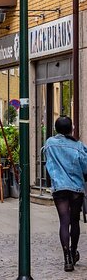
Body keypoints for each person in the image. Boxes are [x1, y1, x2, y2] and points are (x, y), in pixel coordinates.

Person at [43, 116, 87, 272]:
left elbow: (47, 161)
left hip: (59, 187)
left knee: (64, 221)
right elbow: (85, 167)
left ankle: (67, 257)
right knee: (75, 222)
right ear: (71, 128)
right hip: (76, 188)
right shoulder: (78, 146)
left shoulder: (49, 143)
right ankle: (74, 252)